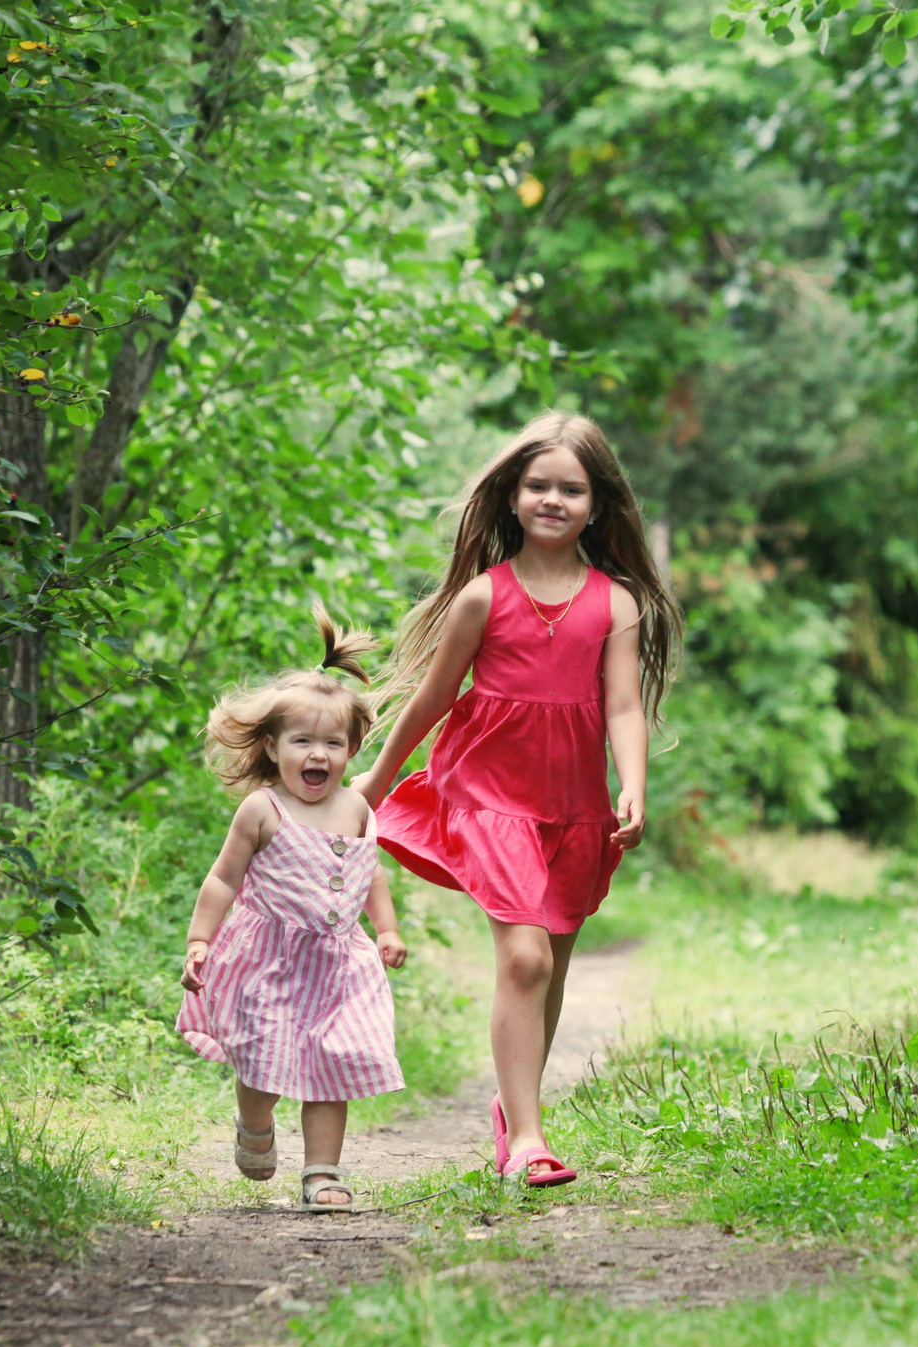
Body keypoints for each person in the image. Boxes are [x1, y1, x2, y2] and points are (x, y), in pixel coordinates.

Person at [358, 412, 680, 1188]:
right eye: (538, 485)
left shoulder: (616, 604)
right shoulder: (482, 597)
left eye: (571, 488)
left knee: (553, 965)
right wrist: (371, 784)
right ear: (512, 497)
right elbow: (434, 697)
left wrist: (632, 785)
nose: (553, 499)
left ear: (597, 505)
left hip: (573, 805)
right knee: (527, 957)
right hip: (488, 793)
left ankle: (516, 1108)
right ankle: (530, 1139)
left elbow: (624, 708)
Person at [177, 614, 409, 1213]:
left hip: (340, 966)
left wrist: (385, 929)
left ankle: (322, 1174)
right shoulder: (262, 808)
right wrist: (200, 940)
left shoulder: (356, 806)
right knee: (260, 1057)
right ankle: (255, 1124)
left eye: (333, 744)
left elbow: (372, 869)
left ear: (352, 751)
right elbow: (223, 878)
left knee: (335, 1065)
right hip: (270, 961)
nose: (318, 754)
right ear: (273, 747)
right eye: (302, 741)